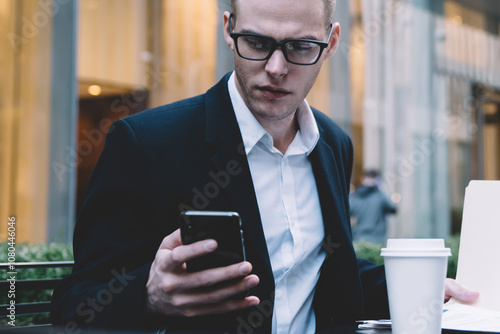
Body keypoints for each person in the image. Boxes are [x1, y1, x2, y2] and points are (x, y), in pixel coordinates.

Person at [51, 0, 478, 333]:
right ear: (228, 29)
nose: (276, 69)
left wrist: (416, 289)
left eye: (300, 47)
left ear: (330, 43)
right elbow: (74, 301)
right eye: (256, 42)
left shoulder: (334, 144)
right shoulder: (146, 143)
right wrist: (147, 294)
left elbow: (318, 273)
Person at [350, 170, 396, 244]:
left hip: (366, 238)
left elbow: (393, 209)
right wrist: (382, 189)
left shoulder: (379, 196)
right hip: (372, 238)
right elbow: (393, 208)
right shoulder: (357, 196)